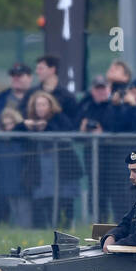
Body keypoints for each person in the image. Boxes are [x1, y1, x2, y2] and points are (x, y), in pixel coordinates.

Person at [22, 90, 83, 228]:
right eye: (38, 105)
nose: (40, 108)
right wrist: (26, 125)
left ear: (50, 105)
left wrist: (47, 126)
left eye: (44, 104)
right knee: (44, 203)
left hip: (63, 170)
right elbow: (15, 134)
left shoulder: (59, 118)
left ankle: (67, 229)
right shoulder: (31, 123)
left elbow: (67, 131)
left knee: (66, 201)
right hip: (41, 172)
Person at [0, 107, 28, 226]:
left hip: (23, 181)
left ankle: (26, 232)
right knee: (15, 210)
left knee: (24, 210)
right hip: (7, 181)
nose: (9, 128)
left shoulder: (23, 139)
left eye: (11, 124)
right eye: (5, 125)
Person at [27, 55, 78, 128]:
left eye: (40, 69)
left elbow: (72, 123)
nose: (37, 72)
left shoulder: (67, 96)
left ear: (52, 70)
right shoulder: (31, 93)